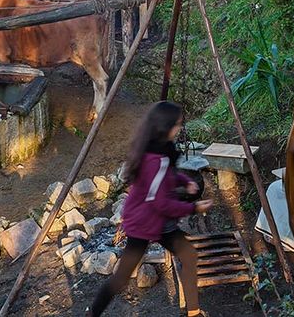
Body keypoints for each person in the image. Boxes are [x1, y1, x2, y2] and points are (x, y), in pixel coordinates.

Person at [88, 101, 213, 317]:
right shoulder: (156, 158)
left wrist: (184, 181)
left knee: (189, 256)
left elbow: (165, 178)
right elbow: (160, 203)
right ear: (166, 127)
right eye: (177, 124)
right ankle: (92, 314)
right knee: (121, 278)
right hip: (143, 223)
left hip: (157, 220)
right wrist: (193, 207)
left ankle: (193, 312)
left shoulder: (159, 147)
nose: (179, 129)